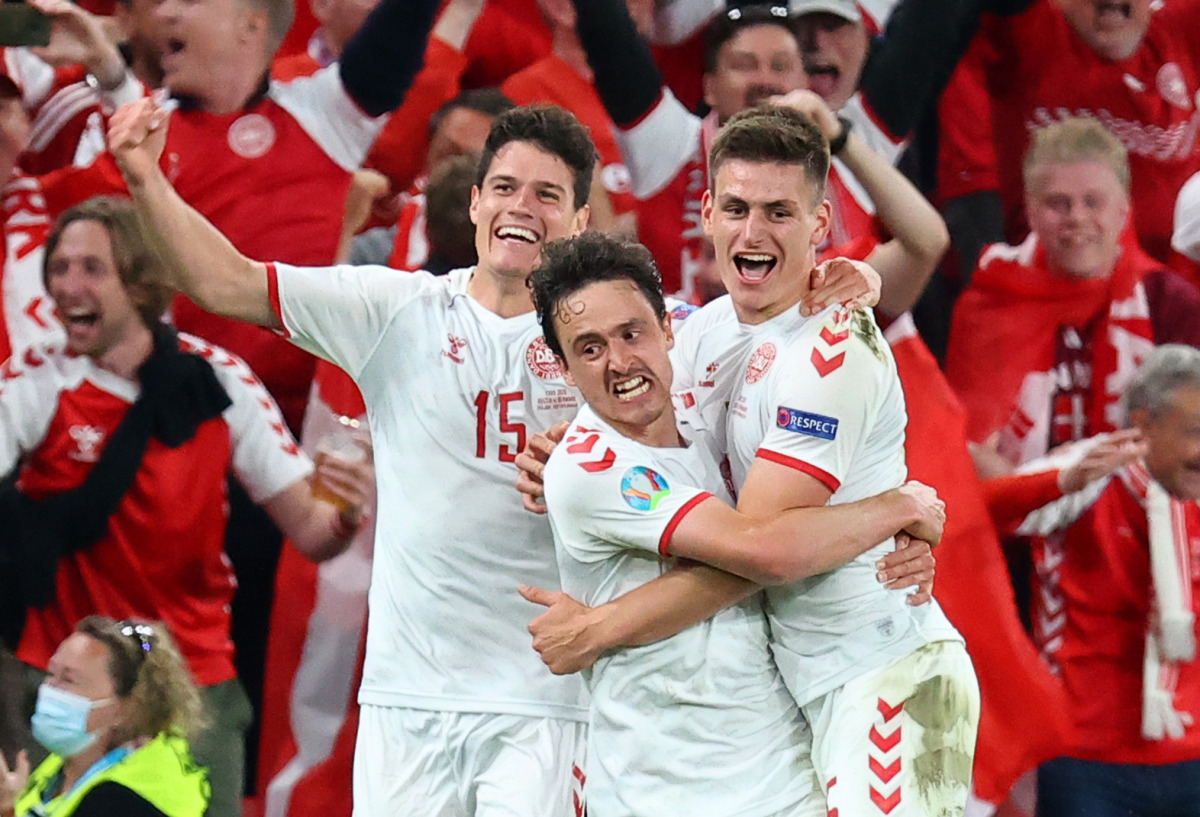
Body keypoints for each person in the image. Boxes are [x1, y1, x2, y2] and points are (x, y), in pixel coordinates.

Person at [521, 105, 978, 815]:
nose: (753, 231)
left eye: (778, 212)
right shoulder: (701, 331)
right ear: (706, 212)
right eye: (735, 207)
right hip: (802, 691)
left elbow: (759, 551)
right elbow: (628, 385)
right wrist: (561, 455)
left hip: (887, 673)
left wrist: (602, 626)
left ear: (820, 225)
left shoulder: (832, 350)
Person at [0, 197, 371, 817]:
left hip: (189, 686)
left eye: (92, 268)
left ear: (141, 281)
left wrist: (345, 514)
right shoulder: (37, 380)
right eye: (58, 269)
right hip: (65, 688)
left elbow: (312, 531)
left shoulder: (219, 380)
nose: (68, 286)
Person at [994, 345, 1200, 816]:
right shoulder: (1089, 469)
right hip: (1085, 754)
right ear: (1145, 424)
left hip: (1192, 751)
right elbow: (978, 512)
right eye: (1195, 433)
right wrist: (1060, 483)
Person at [0, 616, 208, 817]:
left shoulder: (129, 800)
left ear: (126, 707)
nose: (49, 689)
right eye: (52, 674)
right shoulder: (74, 758)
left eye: (69, 680)